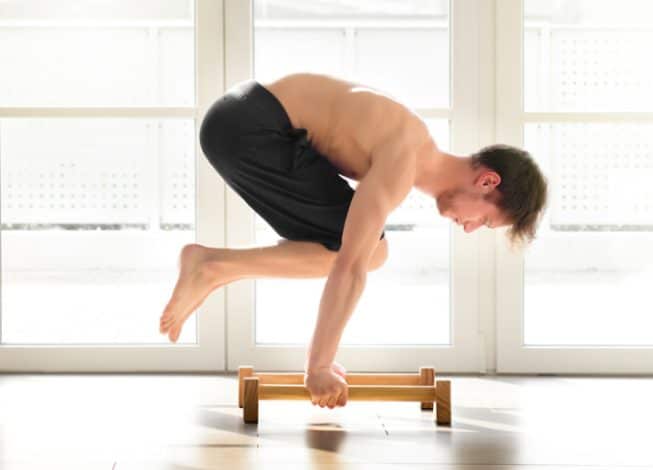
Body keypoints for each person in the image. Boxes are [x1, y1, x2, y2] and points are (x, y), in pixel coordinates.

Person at [159, 72, 548, 410]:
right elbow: (350, 269)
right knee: (368, 252)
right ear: (487, 181)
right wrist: (319, 367)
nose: (469, 228)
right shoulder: (403, 158)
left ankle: (213, 266)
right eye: (485, 220)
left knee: (361, 248)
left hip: (239, 121)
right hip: (251, 128)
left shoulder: (409, 145)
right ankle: (211, 266)